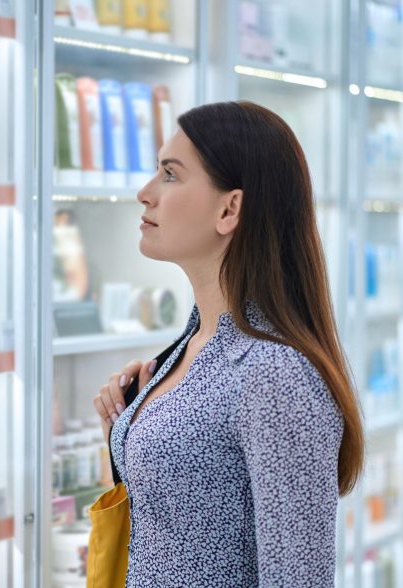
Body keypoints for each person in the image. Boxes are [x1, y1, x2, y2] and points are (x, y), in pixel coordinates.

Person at [92, 101, 364, 586]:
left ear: (229, 208)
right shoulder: (192, 346)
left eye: (170, 175)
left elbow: (297, 579)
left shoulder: (275, 373)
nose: (145, 193)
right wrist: (132, 420)